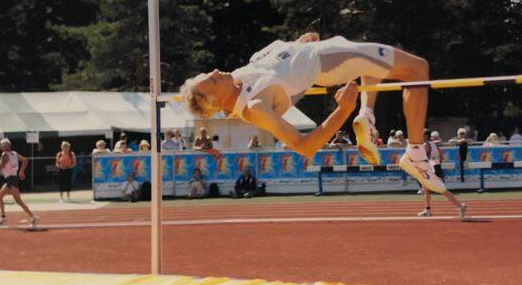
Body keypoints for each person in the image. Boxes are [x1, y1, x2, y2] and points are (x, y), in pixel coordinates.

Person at [180, 32, 445, 193]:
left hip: (325, 51)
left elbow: (279, 67)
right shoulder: (254, 107)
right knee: (417, 69)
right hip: (328, 61)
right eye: (212, 79)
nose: (216, 71)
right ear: (217, 102)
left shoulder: (238, 77)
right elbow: (305, 147)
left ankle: (367, 115)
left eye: (210, 73)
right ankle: (415, 153)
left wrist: (299, 42)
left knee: (374, 67)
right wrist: (342, 110)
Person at [418, 131, 467, 218]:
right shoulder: (434, 144)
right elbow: (442, 157)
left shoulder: (425, 145)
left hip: (432, 169)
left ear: (426, 136)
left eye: (421, 135)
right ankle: (427, 210)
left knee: (442, 190)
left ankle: (460, 206)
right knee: (426, 190)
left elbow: (422, 159)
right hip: (435, 167)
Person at [0, 138, 39, 228]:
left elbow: (0, 168)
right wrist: (21, 171)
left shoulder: (4, 155)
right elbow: (25, 160)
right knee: (0, 196)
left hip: (11, 180)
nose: (0, 146)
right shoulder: (14, 153)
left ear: (6, 146)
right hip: (12, 179)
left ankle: (34, 217)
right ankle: (3, 218)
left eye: (1, 145)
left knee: (18, 201)